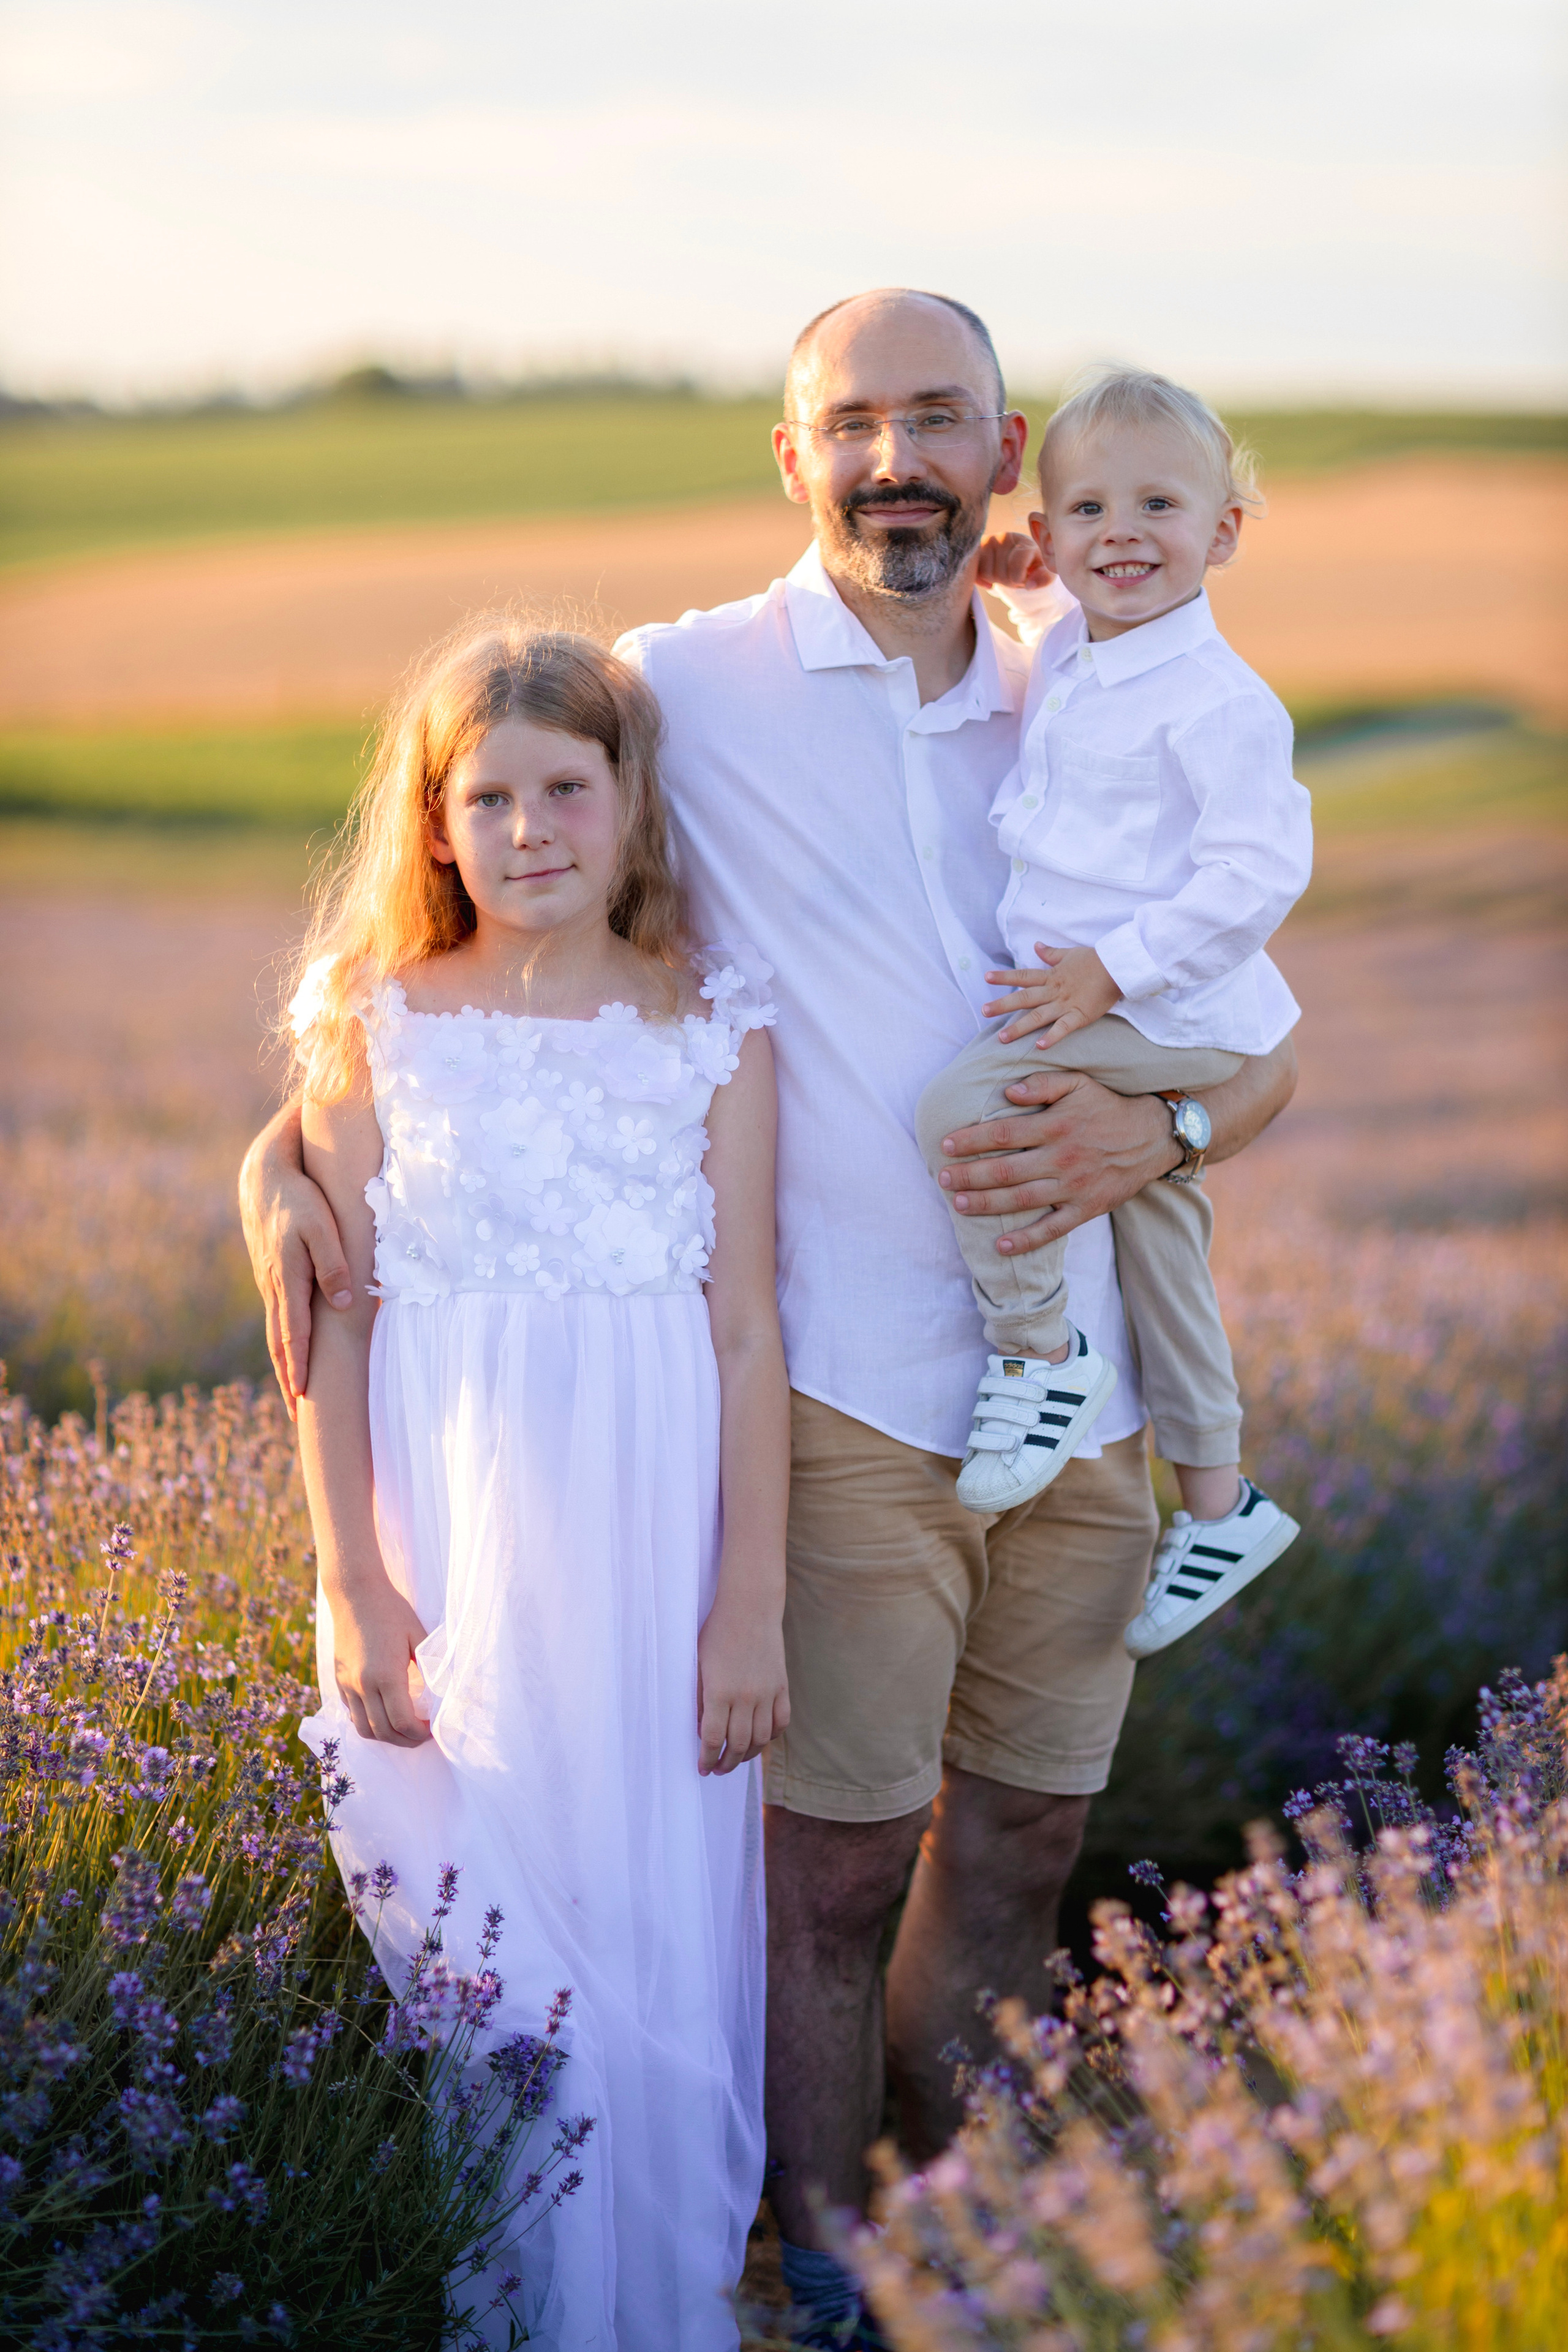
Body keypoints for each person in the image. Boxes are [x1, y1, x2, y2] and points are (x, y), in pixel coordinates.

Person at [241, 289, 1297, 2352]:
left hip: (1072, 1391)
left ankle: (952, 2222)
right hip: (834, 1394)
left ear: (1008, 461)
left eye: (943, 423)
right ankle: (818, 2266)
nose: (897, 457)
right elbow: (456, 921)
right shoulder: (683, 689)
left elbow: (1267, 1051)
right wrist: (271, 1159)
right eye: (856, 420)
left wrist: (1160, 1121)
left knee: (1027, 1839)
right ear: (794, 457)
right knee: (822, 1879)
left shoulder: (1100, 682)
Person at [286, 619, 788, 2349]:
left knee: (646, 1928)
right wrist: (356, 1578)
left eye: (567, 787)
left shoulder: (711, 1024)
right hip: (452, 1519)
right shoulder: (378, 1022)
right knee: (495, 1939)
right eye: (485, 795)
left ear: (632, 802)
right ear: (434, 823)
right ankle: (518, 2310)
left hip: (657, 1533)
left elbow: (744, 1334)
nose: (530, 828)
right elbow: (333, 1336)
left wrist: (750, 1606)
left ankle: (656, 2308)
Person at [914, 366, 1311, 1657]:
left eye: (1157, 504)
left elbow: (1256, 873)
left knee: (967, 1102)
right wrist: (1013, 576)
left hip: (1177, 1005)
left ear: (1225, 532)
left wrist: (1111, 970)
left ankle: (1036, 1353)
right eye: (1084, 509)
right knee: (1158, 1246)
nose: (1118, 533)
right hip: (1146, 1004)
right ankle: (1217, 1498)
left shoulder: (1220, 701)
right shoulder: (1086, 635)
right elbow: (1062, 596)